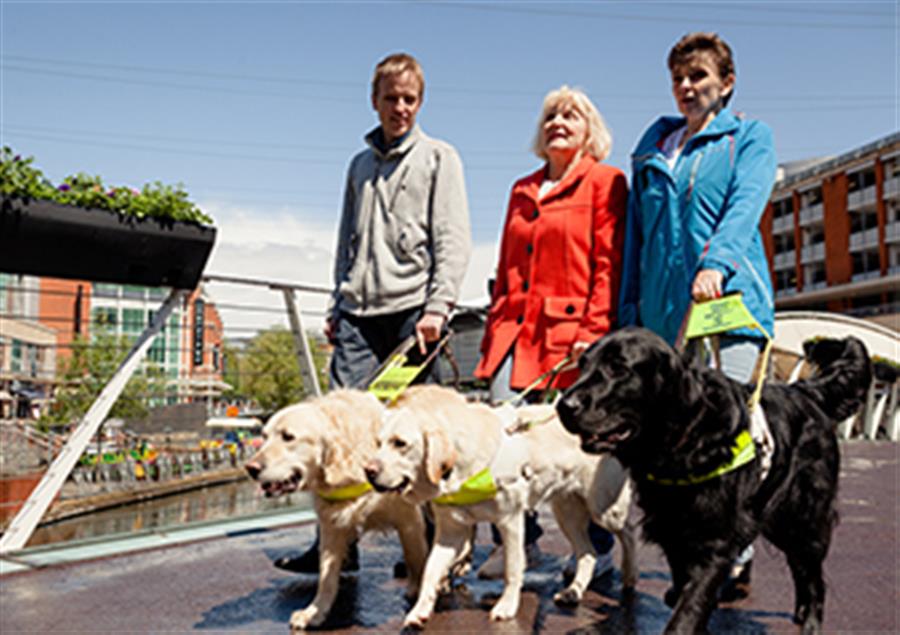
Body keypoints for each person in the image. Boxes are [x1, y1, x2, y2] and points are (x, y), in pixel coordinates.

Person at [274, 52, 472, 574]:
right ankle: (336, 547)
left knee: (411, 430)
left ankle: (425, 547)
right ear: (374, 100)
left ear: (420, 101)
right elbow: (346, 241)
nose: (400, 108)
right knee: (342, 430)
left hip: (413, 316)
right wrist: (336, 304)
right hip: (359, 314)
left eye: (409, 99)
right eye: (391, 98)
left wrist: (439, 307)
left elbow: (453, 239)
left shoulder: (438, 158)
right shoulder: (358, 166)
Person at [619, 32, 777, 599]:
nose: (687, 88)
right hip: (666, 317)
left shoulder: (748, 138)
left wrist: (718, 262)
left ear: (726, 84)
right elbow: (638, 237)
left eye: (700, 78)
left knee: (733, 430)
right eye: (679, 79)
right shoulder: (654, 149)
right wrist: (630, 311)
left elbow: (745, 204)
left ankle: (736, 546)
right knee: (677, 439)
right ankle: (699, 550)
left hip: (727, 305)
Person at [474, 86, 627, 580]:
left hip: (571, 335)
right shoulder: (520, 189)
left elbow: (609, 264)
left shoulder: (607, 182)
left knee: (583, 443)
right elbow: (504, 264)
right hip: (512, 335)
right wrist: (494, 323)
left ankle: (596, 547)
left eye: (572, 115)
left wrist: (595, 332)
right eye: (551, 115)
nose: (559, 122)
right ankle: (520, 543)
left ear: (590, 130)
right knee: (500, 440)